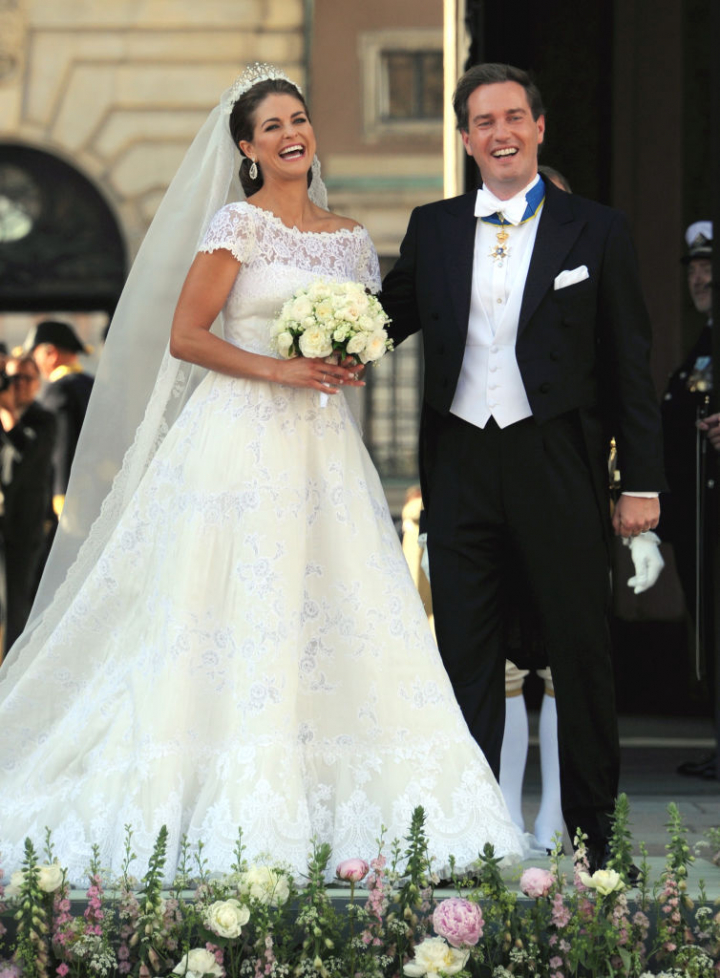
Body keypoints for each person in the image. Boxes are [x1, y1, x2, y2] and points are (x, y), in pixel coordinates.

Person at [0, 64, 526, 884]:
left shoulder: (351, 237)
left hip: (324, 447)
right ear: (247, 147)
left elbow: (367, 333)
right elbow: (187, 334)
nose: (291, 133)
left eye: (300, 118)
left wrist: (345, 354)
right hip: (236, 443)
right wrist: (278, 370)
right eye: (272, 124)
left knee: (335, 608)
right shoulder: (235, 226)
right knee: (231, 607)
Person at [381, 62, 666, 874]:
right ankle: (471, 842)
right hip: (462, 463)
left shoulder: (597, 228)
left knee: (580, 659)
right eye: (483, 121)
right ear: (465, 138)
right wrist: (308, 329)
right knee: (465, 660)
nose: (500, 132)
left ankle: (595, 849)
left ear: (539, 128)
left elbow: (628, 365)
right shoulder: (432, 226)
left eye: (514, 116)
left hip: (557, 464)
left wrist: (639, 484)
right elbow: (385, 316)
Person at [661, 222, 718, 780]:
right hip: (698, 517)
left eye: (709, 266)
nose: (702, 277)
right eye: (696, 268)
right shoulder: (704, 340)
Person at [0, 356, 56, 650]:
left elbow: (28, 456)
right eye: (13, 379)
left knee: (17, 603)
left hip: (24, 525)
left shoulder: (45, 419)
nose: (19, 386)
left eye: (26, 379)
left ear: (37, 384)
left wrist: (8, 413)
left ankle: (9, 671)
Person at [26, 320, 93, 520]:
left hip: (72, 493)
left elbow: (62, 444)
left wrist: (61, 494)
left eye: (35, 355)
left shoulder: (57, 389)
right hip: (96, 486)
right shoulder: (92, 384)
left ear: (51, 354)